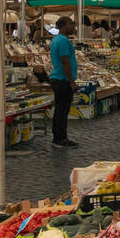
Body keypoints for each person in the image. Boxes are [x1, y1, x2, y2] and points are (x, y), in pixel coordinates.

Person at [48, 15, 78, 149]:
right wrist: (72, 81)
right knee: (62, 110)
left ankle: (59, 136)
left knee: (60, 109)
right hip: (62, 79)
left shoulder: (56, 40)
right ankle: (60, 138)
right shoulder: (63, 41)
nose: (73, 27)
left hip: (58, 78)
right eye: (71, 24)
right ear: (64, 25)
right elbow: (65, 62)